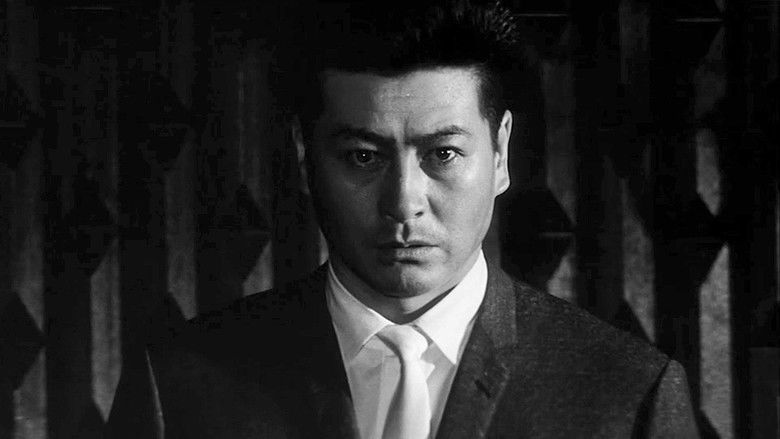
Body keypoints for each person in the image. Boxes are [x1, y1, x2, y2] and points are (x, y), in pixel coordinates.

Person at [108, 0, 700, 437]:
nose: (404, 202)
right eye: (363, 157)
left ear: (499, 154)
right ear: (304, 157)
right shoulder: (178, 389)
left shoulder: (629, 396)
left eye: (443, 154)